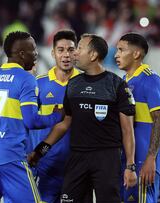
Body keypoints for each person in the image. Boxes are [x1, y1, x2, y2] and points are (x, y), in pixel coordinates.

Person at [28, 34, 137, 202]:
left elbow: (127, 130)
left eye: (79, 49)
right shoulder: (73, 85)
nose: (75, 54)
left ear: (93, 55)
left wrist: (130, 166)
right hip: (77, 158)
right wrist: (39, 151)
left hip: (106, 159)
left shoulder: (117, 85)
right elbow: (64, 124)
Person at [0, 31, 62, 203]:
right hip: (10, 157)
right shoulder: (26, 79)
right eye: (33, 49)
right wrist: (56, 116)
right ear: (22, 54)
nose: (36, 54)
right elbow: (32, 121)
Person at [27, 29, 79, 203]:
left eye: (71, 50)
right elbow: (28, 122)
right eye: (61, 50)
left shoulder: (86, 83)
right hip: (44, 166)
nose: (66, 55)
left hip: (76, 167)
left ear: (77, 52)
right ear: (53, 53)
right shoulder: (38, 84)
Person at [115, 33, 160, 203]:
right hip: (129, 160)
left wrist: (151, 158)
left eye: (121, 50)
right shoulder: (124, 80)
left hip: (144, 160)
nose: (116, 55)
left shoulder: (150, 79)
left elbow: (159, 119)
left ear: (136, 54)